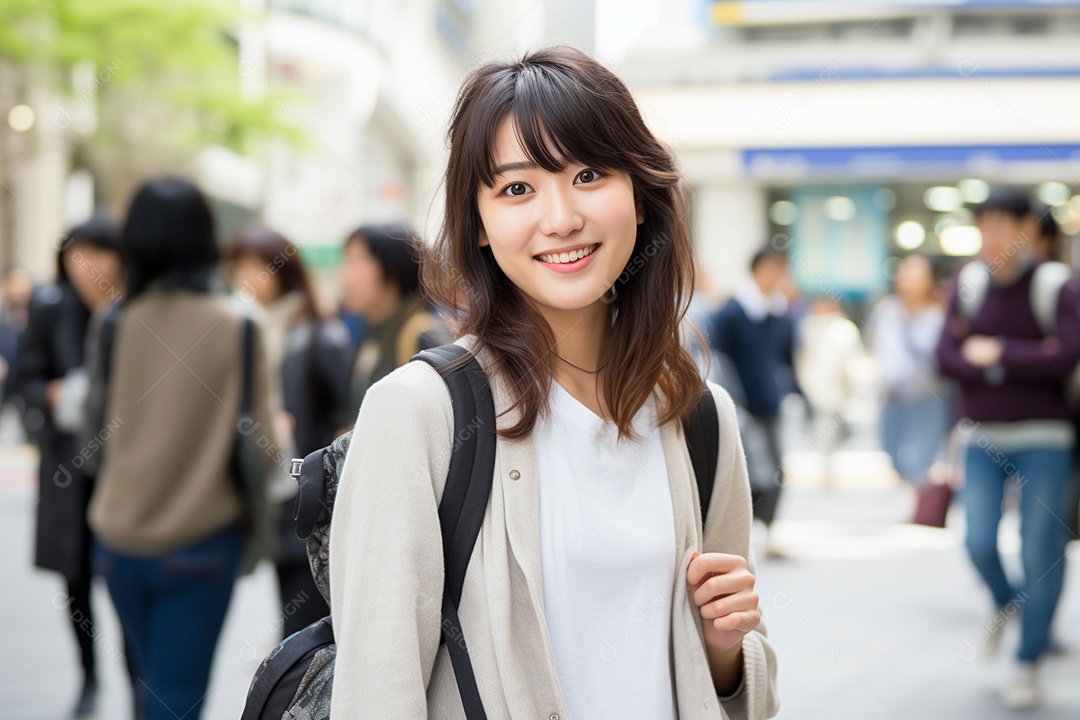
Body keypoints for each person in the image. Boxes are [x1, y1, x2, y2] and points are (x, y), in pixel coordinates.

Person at [328, 47, 778, 718]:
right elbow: (376, 693)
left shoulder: (701, 419)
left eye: (590, 173)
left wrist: (721, 650)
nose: (560, 217)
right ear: (478, 226)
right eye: (517, 188)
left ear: (639, 193)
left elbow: (739, 690)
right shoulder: (418, 413)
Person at [87, 178, 276, 720]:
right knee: (175, 699)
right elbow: (262, 444)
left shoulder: (114, 321)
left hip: (117, 540)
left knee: (148, 688)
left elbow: (91, 435)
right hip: (201, 544)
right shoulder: (240, 324)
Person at [936, 187, 1080, 709]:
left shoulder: (1056, 286)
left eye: (1004, 225)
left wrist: (994, 353)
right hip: (983, 438)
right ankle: (1008, 604)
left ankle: (1028, 661)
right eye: (986, 225)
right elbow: (946, 356)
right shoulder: (969, 284)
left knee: (1040, 552)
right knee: (977, 542)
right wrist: (1021, 358)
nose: (993, 236)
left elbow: (1065, 357)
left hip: (1047, 439)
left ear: (1030, 229)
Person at [9, 215, 125, 717]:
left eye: (100, 253)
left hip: (121, 469)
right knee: (74, 579)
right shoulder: (50, 307)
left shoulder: (131, 311)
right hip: (67, 467)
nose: (89, 266)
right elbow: (24, 378)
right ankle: (89, 675)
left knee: (123, 572)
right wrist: (51, 394)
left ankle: (136, 678)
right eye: (78, 254)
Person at [226, 225, 350, 637]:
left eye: (256, 267)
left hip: (310, 492)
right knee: (291, 604)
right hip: (275, 488)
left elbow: (348, 414)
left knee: (307, 612)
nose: (246, 279)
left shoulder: (318, 335)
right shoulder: (252, 327)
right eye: (239, 268)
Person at [709, 247, 796, 552]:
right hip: (740, 408)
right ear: (756, 270)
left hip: (771, 405)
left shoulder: (780, 313)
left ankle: (769, 533)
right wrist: (733, 403)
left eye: (780, 269)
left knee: (776, 471)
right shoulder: (732, 314)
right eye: (770, 268)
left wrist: (793, 392)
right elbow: (719, 360)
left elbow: (786, 359)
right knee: (750, 473)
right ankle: (740, 537)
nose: (775, 276)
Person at [340, 224, 449, 424]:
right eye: (346, 261)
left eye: (359, 260)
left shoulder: (423, 333)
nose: (346, 274)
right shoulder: (371, 331)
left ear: (393, 266)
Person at [869, 255, 950, 486]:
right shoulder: (886, 310)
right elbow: (874, 341)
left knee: (920, 458)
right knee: (892, 452)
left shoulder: (938, 314)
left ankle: (918, 507)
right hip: (891, 396)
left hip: (927, 396)